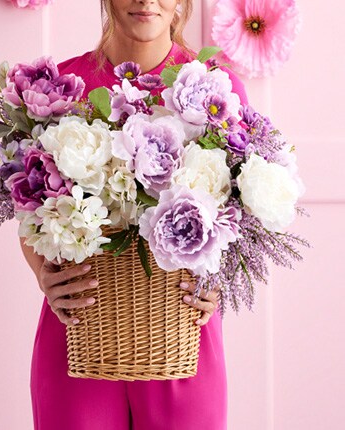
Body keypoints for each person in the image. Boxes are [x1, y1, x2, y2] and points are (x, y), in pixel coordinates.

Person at [20, 1, 248, 429]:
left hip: (182, 336)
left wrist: (219, 282)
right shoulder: (59, 88)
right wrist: (42, 274)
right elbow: (28, 209)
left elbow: (240, 213)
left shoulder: (217, 89)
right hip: (78, 332)